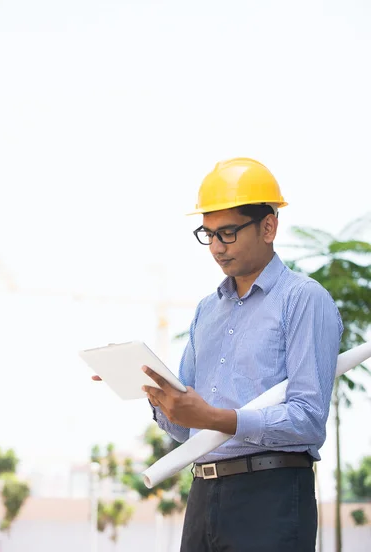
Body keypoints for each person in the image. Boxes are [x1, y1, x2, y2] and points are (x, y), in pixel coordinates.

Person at [140, 157, 343, 552]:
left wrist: (216, 417)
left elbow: (307, 420)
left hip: (271, 495)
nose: (216, 247)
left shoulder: (303, 300)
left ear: (268, 226)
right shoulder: (206, 311)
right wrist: (161, 400)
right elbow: (187, 430)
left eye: (228, 233)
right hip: (203, 493)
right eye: (208, 233)